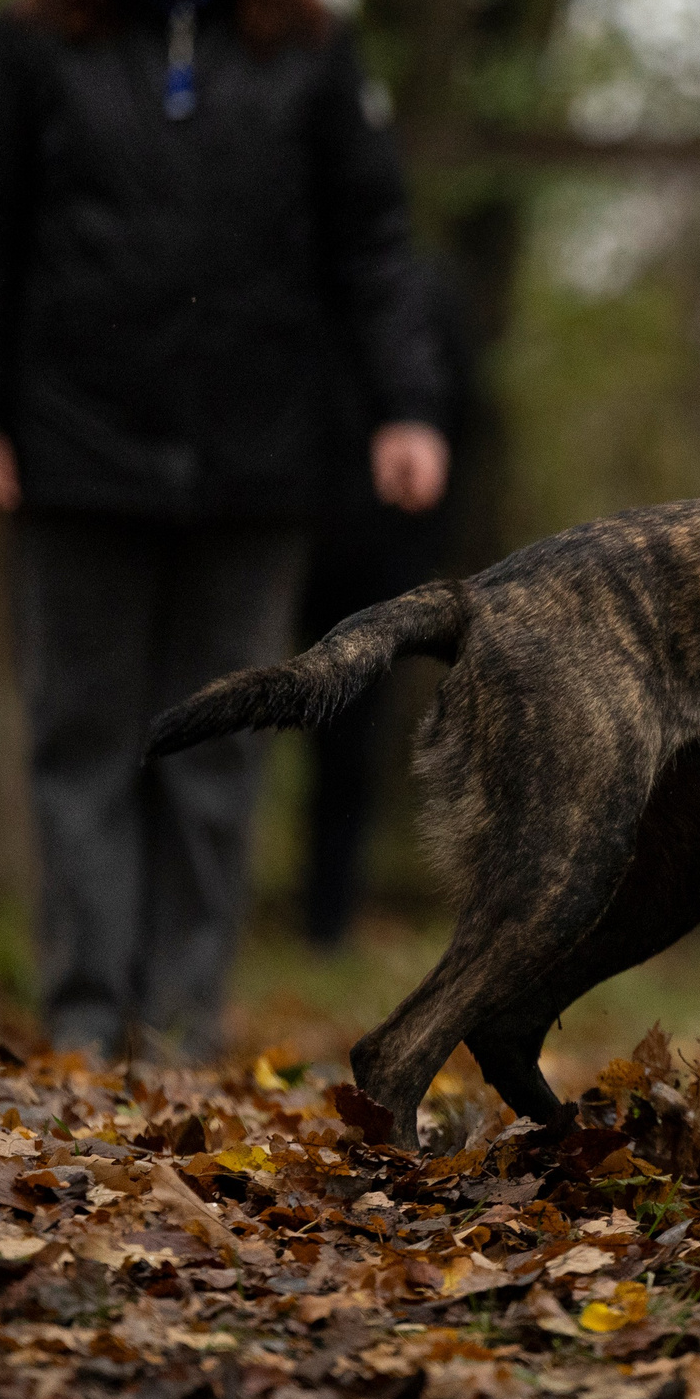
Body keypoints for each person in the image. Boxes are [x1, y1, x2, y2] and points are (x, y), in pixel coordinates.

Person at [0, 0, 450, 1060]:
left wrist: (406, 406)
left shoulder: (308, 47)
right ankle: (87, 1015)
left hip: (260, 459)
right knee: (84, 740)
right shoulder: (32, 44)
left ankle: (182, 1018)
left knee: (222, 747)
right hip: (72, 451)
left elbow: (372, 243)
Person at [295, 258, 468, 950]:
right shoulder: (281, 288)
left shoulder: (425, 300)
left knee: (348, 745)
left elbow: (461, 425)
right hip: (270, 534)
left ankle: (326, 917)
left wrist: (422, 548)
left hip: (376, 554)